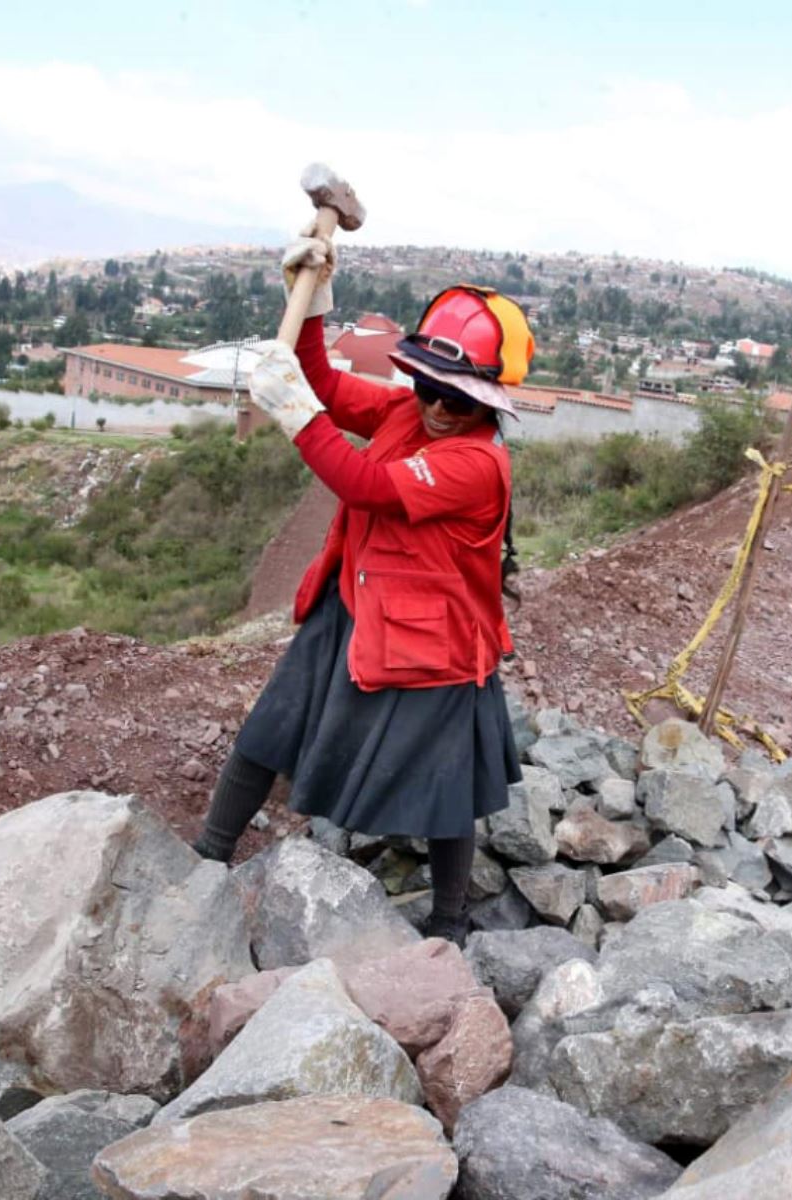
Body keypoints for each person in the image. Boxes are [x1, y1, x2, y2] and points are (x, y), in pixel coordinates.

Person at [190, 226, 534, 946]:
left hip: (438, 638)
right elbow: (325, 385)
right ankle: (208, 857)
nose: (439, 407)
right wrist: (312, 303)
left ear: (488, 405)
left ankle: (448, 923)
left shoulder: (477, 465)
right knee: (269, 728)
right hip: (354, 605)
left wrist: (295, 418)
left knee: (449, 787)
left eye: (458, 399)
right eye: (429, 387)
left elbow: (364, 483)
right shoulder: (409, 414)